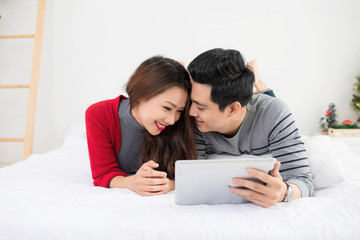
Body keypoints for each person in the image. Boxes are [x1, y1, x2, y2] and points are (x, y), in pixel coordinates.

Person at [187, 48, 314, 208]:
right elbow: (191, 177)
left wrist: (284, 192)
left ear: (232, 109)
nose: (191, 112)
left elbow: (303, 181)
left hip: (261, 110)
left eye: (201, 107)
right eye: (192, 102)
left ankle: (259, 83)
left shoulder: (273, 114)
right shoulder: (196, 121)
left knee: (267, 98)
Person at [85, 56, 197, 196]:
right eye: (167, 108)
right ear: (141, 94)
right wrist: (131, 182)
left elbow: (190, 170)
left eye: (179, 111)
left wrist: (169, 184)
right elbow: (103, 174)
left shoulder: (180, 123)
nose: (172, 120)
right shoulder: (99, 114)